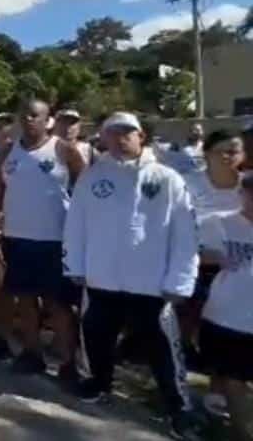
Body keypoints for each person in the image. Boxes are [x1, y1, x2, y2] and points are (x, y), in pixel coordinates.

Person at [63, 112, 199, 440]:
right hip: (101, 279)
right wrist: (75, 267)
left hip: (151, 283)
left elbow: (185, 235)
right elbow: (75, 226)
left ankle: (178, 406)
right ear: (104, 139)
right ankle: (99, 382)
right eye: (113, 133)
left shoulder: (168, 178)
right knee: (96, 336)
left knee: (162, 348)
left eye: (128, 132)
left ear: (141, 136)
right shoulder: (92, 178)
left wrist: (180, 281)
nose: (120, 138)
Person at [0, 98, 85, 379]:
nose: (29, 120)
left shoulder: (65, 151)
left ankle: (68, 363)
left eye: (35, 115)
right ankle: (33, 354)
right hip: (17, 239)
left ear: (48, 120)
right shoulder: (6, 154)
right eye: (24, 115)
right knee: (25, 300)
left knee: (58, 304)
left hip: (55, 241)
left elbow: (86, 193)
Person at [181, 129, 245, 417]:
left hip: (238, 272)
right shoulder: (189, 184)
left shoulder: (247, 185)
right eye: (224, 151)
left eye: (236, 151)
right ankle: (178, 379)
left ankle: (218, 389)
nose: (230, 157)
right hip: (196, 264)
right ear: (207, 153)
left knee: (229, 331)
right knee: (192, 325)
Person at [198, 173, 253, 441]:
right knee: (222, 376)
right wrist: (211, 256)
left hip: (249, 322)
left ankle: (239, 431)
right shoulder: (219, 222)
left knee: (234, 379)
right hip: (221, 315)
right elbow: (190, 250)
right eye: (250, 191)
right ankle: (225, 428)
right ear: (242, 192)